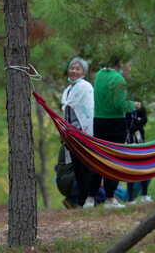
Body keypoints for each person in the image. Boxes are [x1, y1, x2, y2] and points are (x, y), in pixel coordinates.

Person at [86, 56, 139, 209]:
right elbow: (120, 105)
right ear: (120, 62)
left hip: (98, 122)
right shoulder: (118, 78)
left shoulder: (100, 75)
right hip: (115, 123)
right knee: (113, 160)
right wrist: (134, 105)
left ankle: (90, 198)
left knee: (98, 160)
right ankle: (110, 198)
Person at [59, 57, 94, 208]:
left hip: (83, 133)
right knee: (77, 168)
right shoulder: (68, 90)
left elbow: (86, 110)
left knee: (86, 167)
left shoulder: (84, 86)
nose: (73, 71)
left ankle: (88, 199)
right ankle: (80, 199)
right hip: (71, 135)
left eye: (77, 69)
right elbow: (66, 109)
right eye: (72, 68)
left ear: (83, 73)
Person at [125, 105, 153, 203]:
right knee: (130, 170)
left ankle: (144, 194)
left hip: (141, 144)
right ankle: (130, 198)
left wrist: (137, 121)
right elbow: (129, 126)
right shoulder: (126, 108)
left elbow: (144, 120)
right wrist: (137, 121)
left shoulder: (141, 106)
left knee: (144, 168)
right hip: (129, 145)